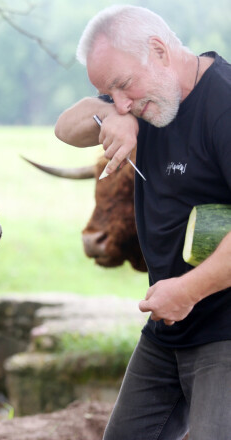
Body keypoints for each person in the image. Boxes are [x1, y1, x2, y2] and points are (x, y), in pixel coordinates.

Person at [54, 5, 231, 439]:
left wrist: (186, 292)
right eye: (108, 92)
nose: (122, 100)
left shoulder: (224, 106)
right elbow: (65, 127)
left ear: (159, 51)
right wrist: (115, 117)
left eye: (123, 86)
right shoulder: (146, 100)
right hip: (168, 326)